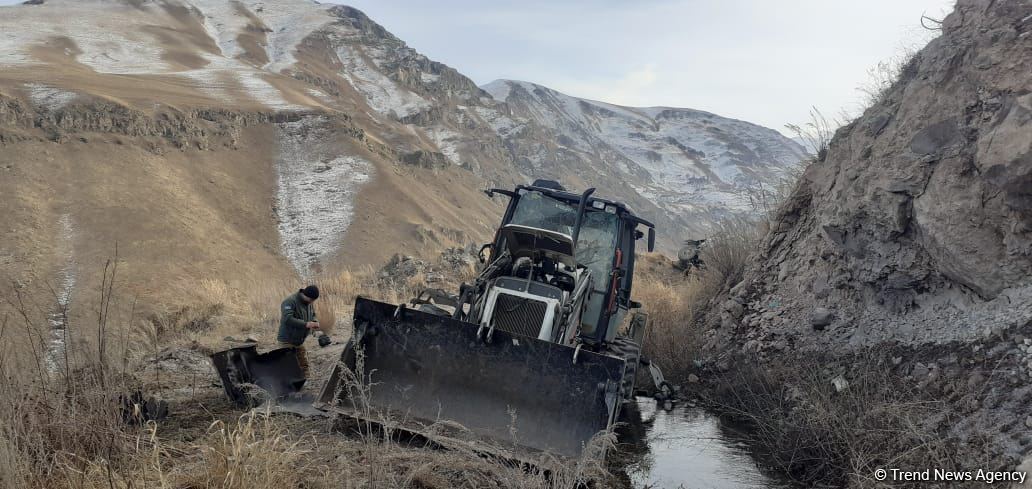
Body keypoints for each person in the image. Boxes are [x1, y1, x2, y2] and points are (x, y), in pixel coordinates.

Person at [278, 285, 320, 379]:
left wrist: (314, 321)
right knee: (290, 367)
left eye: (313, 300)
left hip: (299, 340)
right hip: (287, 341)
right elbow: (288, 319)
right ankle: (290, 390)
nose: (312, 302)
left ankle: (305, 383)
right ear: (305, 295)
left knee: (304, 365)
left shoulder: (309, 302)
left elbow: (313, 314)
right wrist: (306, 324)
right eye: (311, 300)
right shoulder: (289, 301)